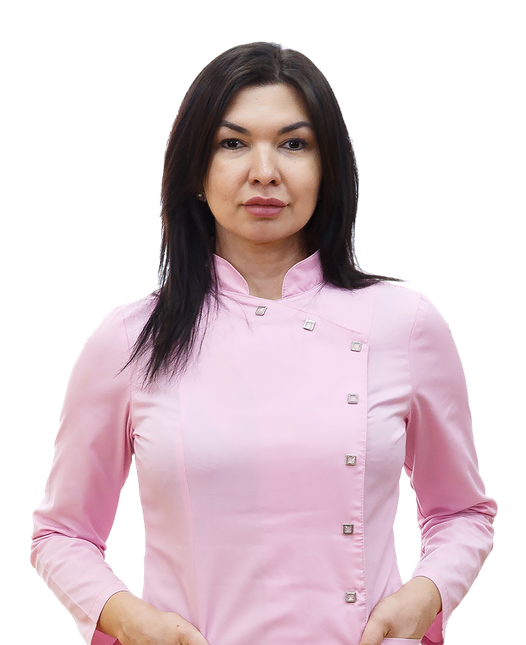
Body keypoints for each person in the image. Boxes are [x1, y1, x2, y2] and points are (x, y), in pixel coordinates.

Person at [31, 42, 497, 645]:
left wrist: (421, 599)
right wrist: (135, 622)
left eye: (294, 144)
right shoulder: (130, 339)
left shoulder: (404, 325)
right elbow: (62, 534)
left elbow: (461, 513)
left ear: (328, 169)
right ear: (195, 171)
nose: (264, 171)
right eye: (233, 143)